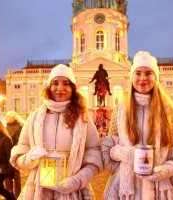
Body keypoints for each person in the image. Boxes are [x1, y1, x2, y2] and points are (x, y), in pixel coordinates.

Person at [101, 51, 173, 199]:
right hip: (128, 188)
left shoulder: (169, 110)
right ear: (132, 77)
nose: (143, 78)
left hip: (162, 189)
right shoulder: (121, 109)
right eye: (138, 73)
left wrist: (168, 169)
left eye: (148, 73)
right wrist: (129, 155)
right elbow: (110, 148)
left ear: (155, 78)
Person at [10, 64, 103, 199]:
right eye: (55, 83)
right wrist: (30, 157)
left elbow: (94, 158)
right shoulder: (35, 117)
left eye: (66, 84)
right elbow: (19, 157)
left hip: (72, 191)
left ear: (72, 88)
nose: (60, 88)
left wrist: (77, 181)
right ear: (49, 87)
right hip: (39, 190)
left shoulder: (83, 119)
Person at [4, 111, 24, 198]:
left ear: (14, 118)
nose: (6, 118)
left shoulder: (18, 127)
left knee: (15, 174)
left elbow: (19, 141)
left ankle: (17, 194)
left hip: (14, 154)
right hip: (5, 153)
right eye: (6, 116)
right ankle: (9, 193)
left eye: (9, 116)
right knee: (7, 174)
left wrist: (14, 149)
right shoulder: (5, 127)